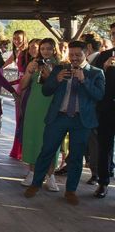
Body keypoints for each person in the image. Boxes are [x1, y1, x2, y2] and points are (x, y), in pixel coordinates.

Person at [25, 41, 105, 205]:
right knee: (46, 151)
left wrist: (85, 81)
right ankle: (36, 184)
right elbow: (46, 91)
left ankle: (71, 190)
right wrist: (56, 80)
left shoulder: (96, 73)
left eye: (78, 55)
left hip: (80, 121)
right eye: (71, 55)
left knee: (76, 156)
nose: (74, 58)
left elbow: (99, 96)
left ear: (85, 53)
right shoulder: (59, 69)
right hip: (58, 117)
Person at [20, 38, 60, 191]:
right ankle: (32, 172)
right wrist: (29, 72)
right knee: (33, 137)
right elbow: (22, 86)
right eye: (43, 48)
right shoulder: (33, 64)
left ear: (54, 50)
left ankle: (50, 175)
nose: (45, 51)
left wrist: (50, 75)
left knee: (50, 140)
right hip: (34, 106)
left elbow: (60, 88)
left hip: (51, 106)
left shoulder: (60, 66)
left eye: (49, 48)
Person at [92, 23, 115, 198]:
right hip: (106, 109)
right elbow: (94, 81)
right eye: (113, 34)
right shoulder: (104, 56)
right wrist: (105, 69)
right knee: (104, 147)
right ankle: (103, 183)